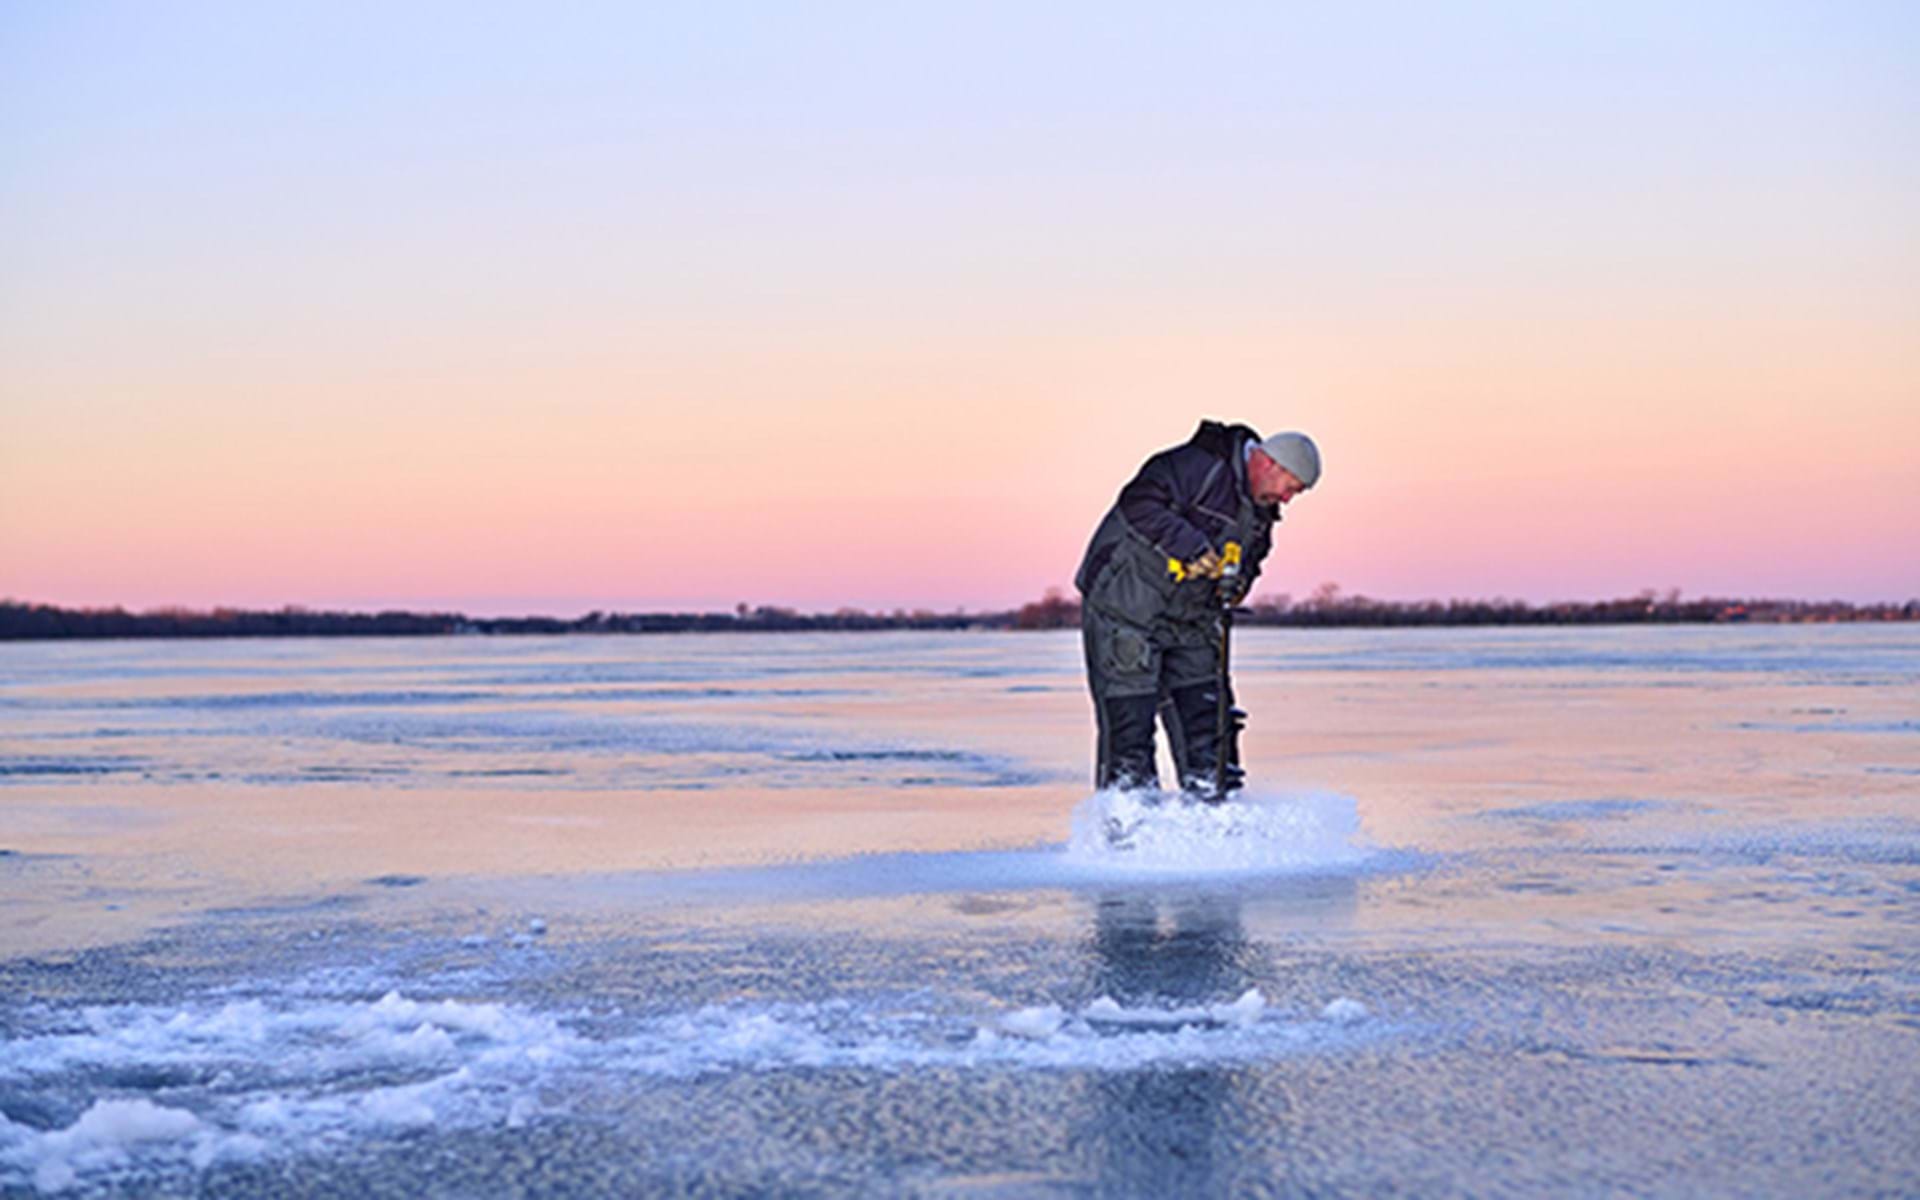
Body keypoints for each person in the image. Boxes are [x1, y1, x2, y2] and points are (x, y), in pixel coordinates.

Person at [1073, 420, 1320, 795]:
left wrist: (1237, 585)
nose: (1287, 500)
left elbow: (1251, 560)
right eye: (1290, 488)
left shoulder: (1260, 510)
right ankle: (1128, 835)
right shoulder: (1195, 466)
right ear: (1271, 464)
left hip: (1193, 621)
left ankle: (1214, 826)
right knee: (1130, 729)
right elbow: (1138, 502)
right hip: (1126, 610)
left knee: (1210, 728)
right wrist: (1191, 547)